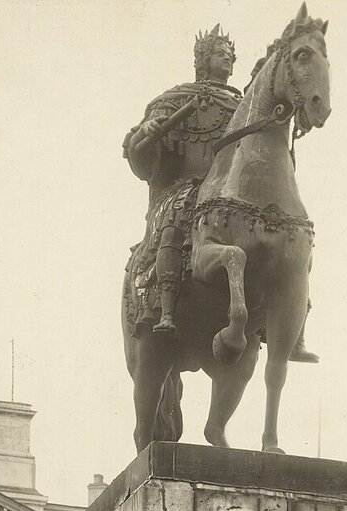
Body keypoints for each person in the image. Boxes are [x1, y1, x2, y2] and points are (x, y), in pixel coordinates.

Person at [122, 26, 241, 337]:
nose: (227, 60)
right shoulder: (176, 99)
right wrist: (146, 131)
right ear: (203, 60)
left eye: (230, 56)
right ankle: (162, 308)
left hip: (228, 192)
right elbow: (138, 150)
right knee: (175, 216)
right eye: (220, 54)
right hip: (185, 188)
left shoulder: (243, 105)